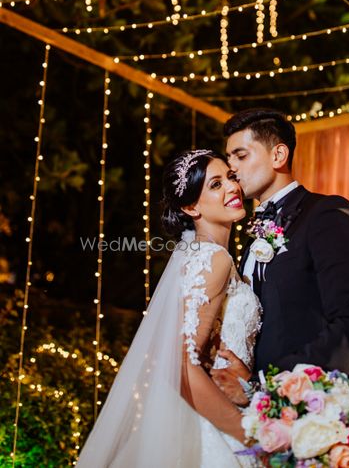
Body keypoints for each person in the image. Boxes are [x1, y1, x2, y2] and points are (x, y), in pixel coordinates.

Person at [211, 108, 349, 468]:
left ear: (279, 154)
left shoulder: (327, 215)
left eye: (241, 156)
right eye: (228, 159)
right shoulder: (247, 240)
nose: (232, 169)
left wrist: (263, 383)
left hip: (327, 423)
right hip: (270, 431)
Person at [75, 150, 261, 468]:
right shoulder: (215, 260)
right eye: (215, 185)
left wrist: (246, 384)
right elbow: (183, 369)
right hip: (212, 429)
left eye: (230, 177)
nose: (232, 188)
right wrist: (254, 439)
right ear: (191, 207)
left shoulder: (198, 256)